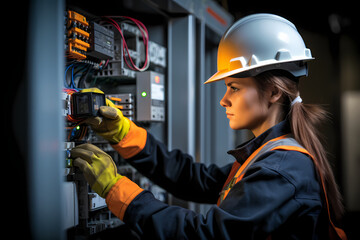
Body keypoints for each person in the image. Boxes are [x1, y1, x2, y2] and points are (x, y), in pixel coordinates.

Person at [71, 14, 347, 239]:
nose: (223, 100)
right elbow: (195, 179)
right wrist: (125, 134)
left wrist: (115, 189)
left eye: (234, 88)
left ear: (274, 93)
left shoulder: (280, 169)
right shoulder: (271, 155)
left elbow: (206, 235)